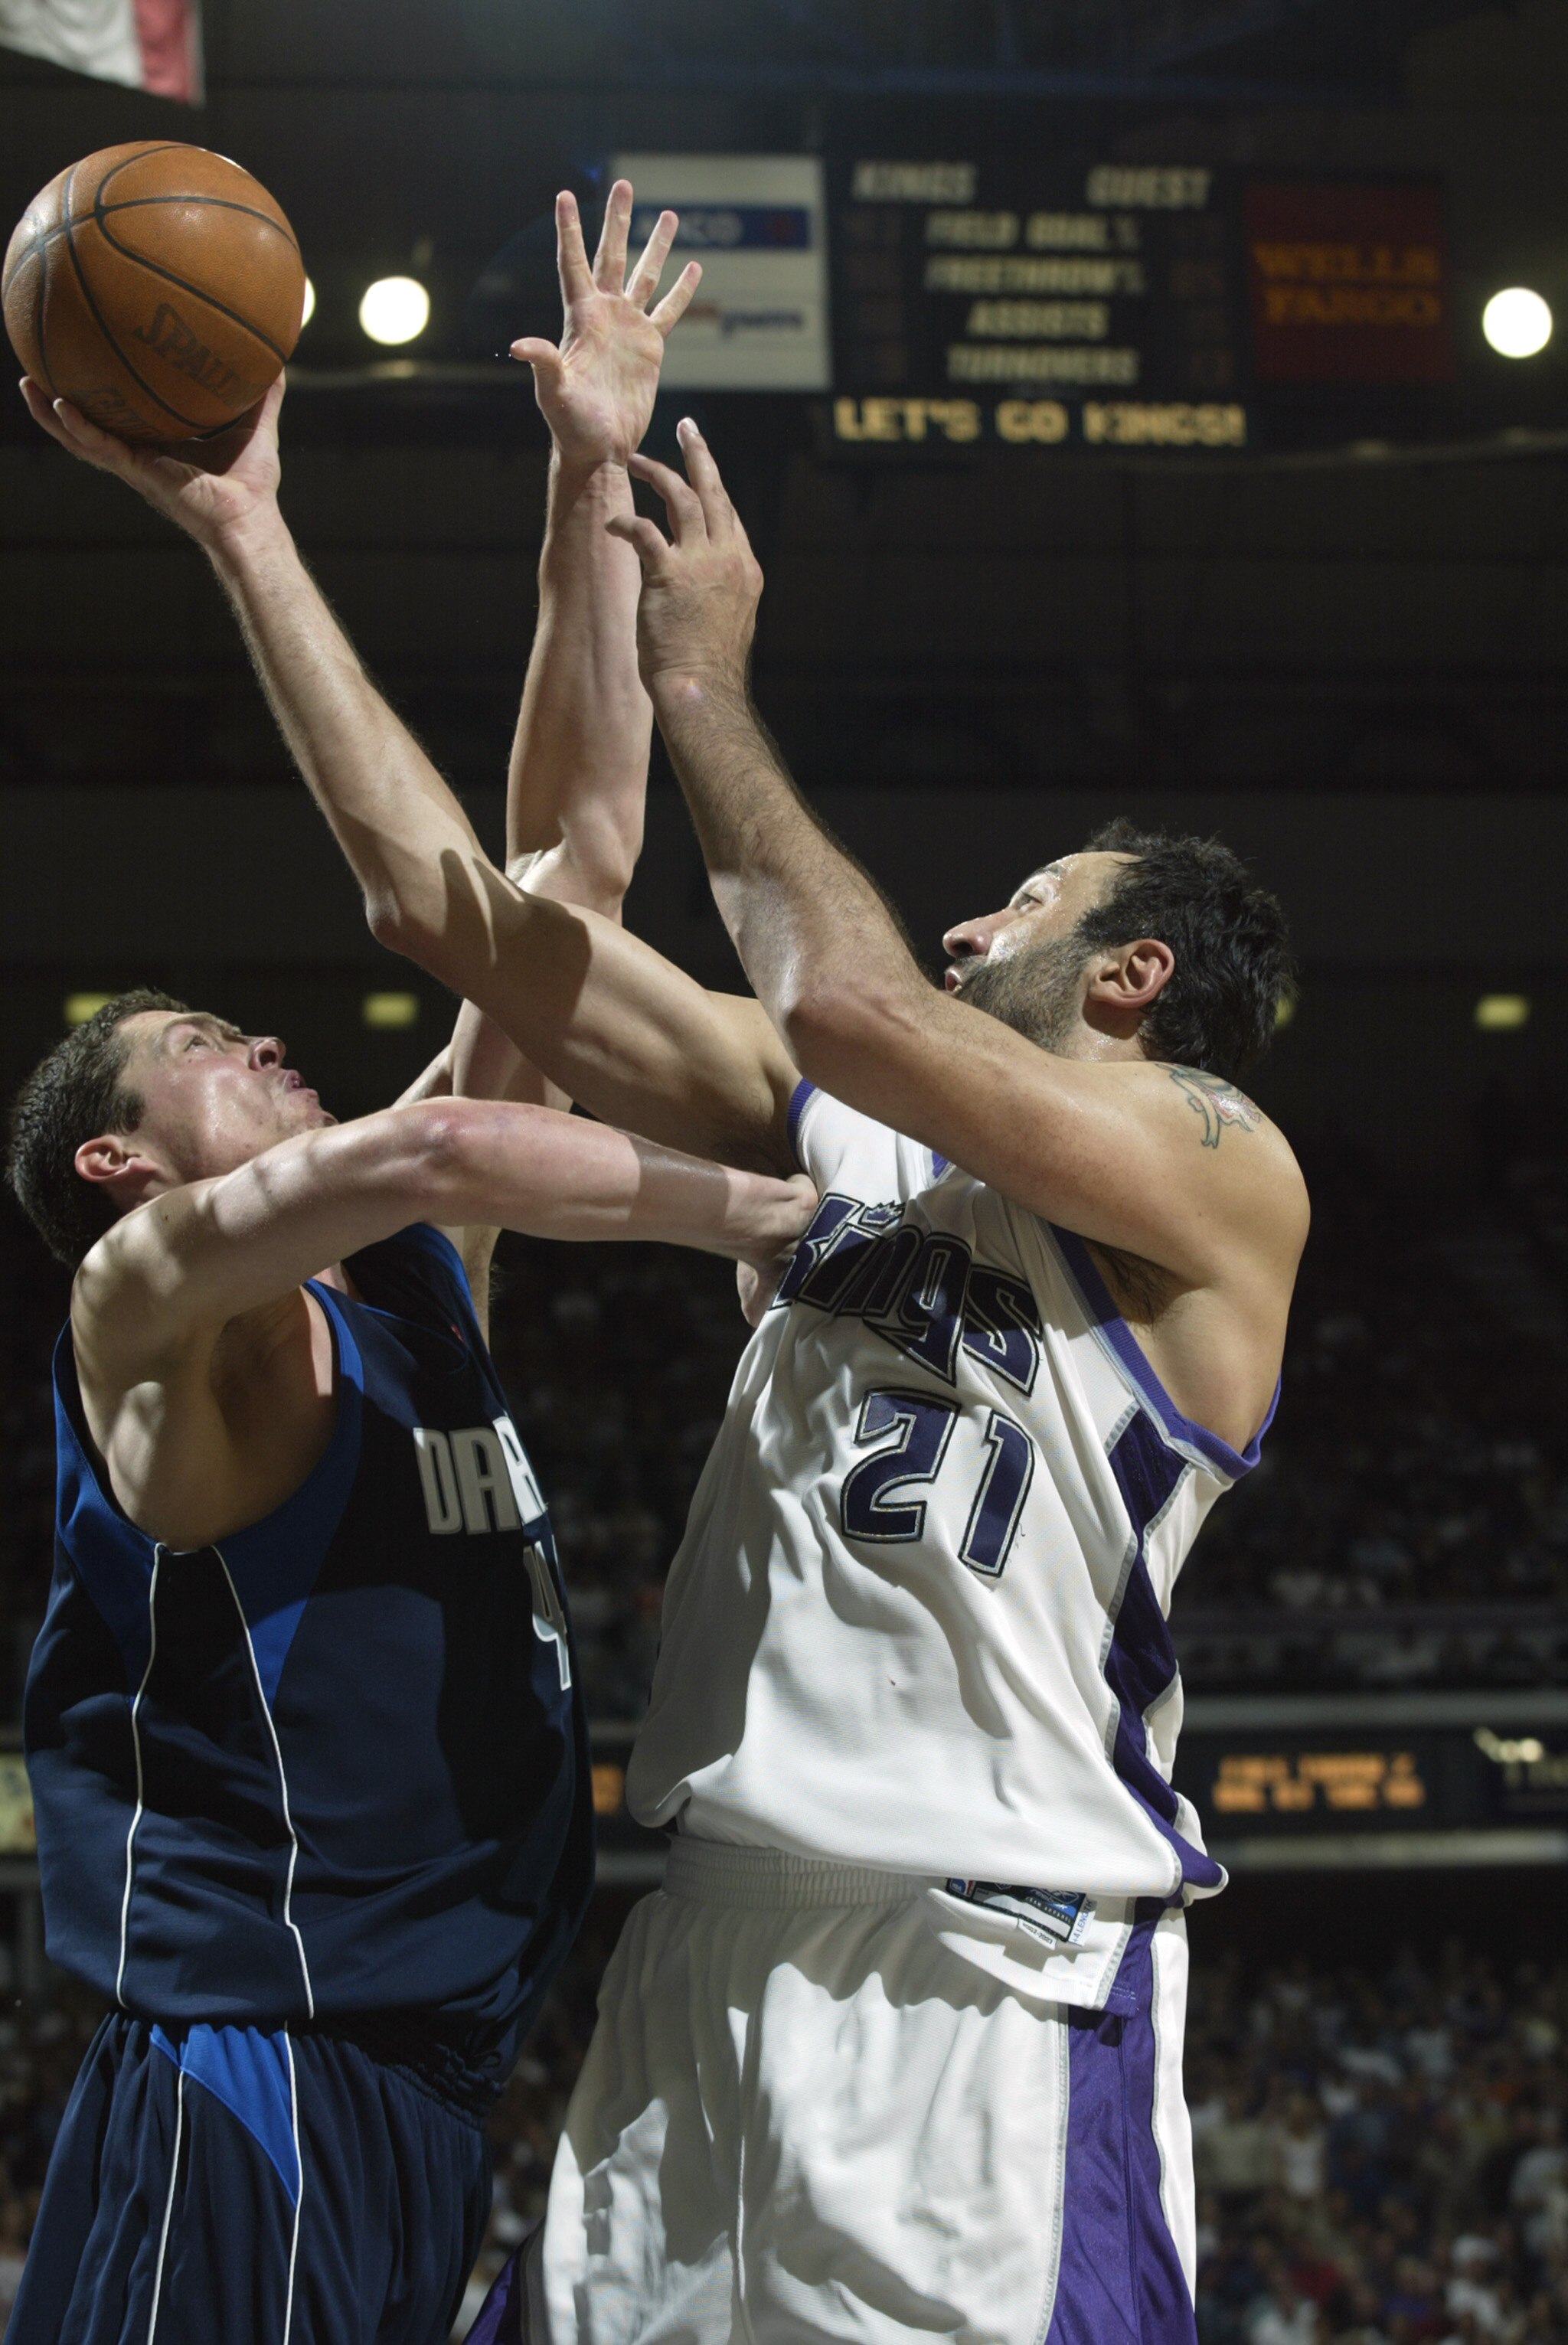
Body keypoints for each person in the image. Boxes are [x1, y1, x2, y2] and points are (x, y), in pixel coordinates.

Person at [43, 185, 1308, 2340]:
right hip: (701, 1944)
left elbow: (844, 999)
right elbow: (470, 909)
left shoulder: (1216, 1162)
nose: (981, 920)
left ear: (1137, 978)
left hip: (980, 1964)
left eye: (1027, 902)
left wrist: (702, 670)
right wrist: (300, 523)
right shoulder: (846, 1139)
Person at [8, 188, 812, 2345]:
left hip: (428, 2087)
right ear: (112, 1155)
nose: (265, 1047)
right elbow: (455, 1123)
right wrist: (764, 1215)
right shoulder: (148, 1309)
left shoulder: (404, 1298)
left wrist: (581, 484)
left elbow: (564, 874)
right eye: (207, 1050)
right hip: (253, 2064)